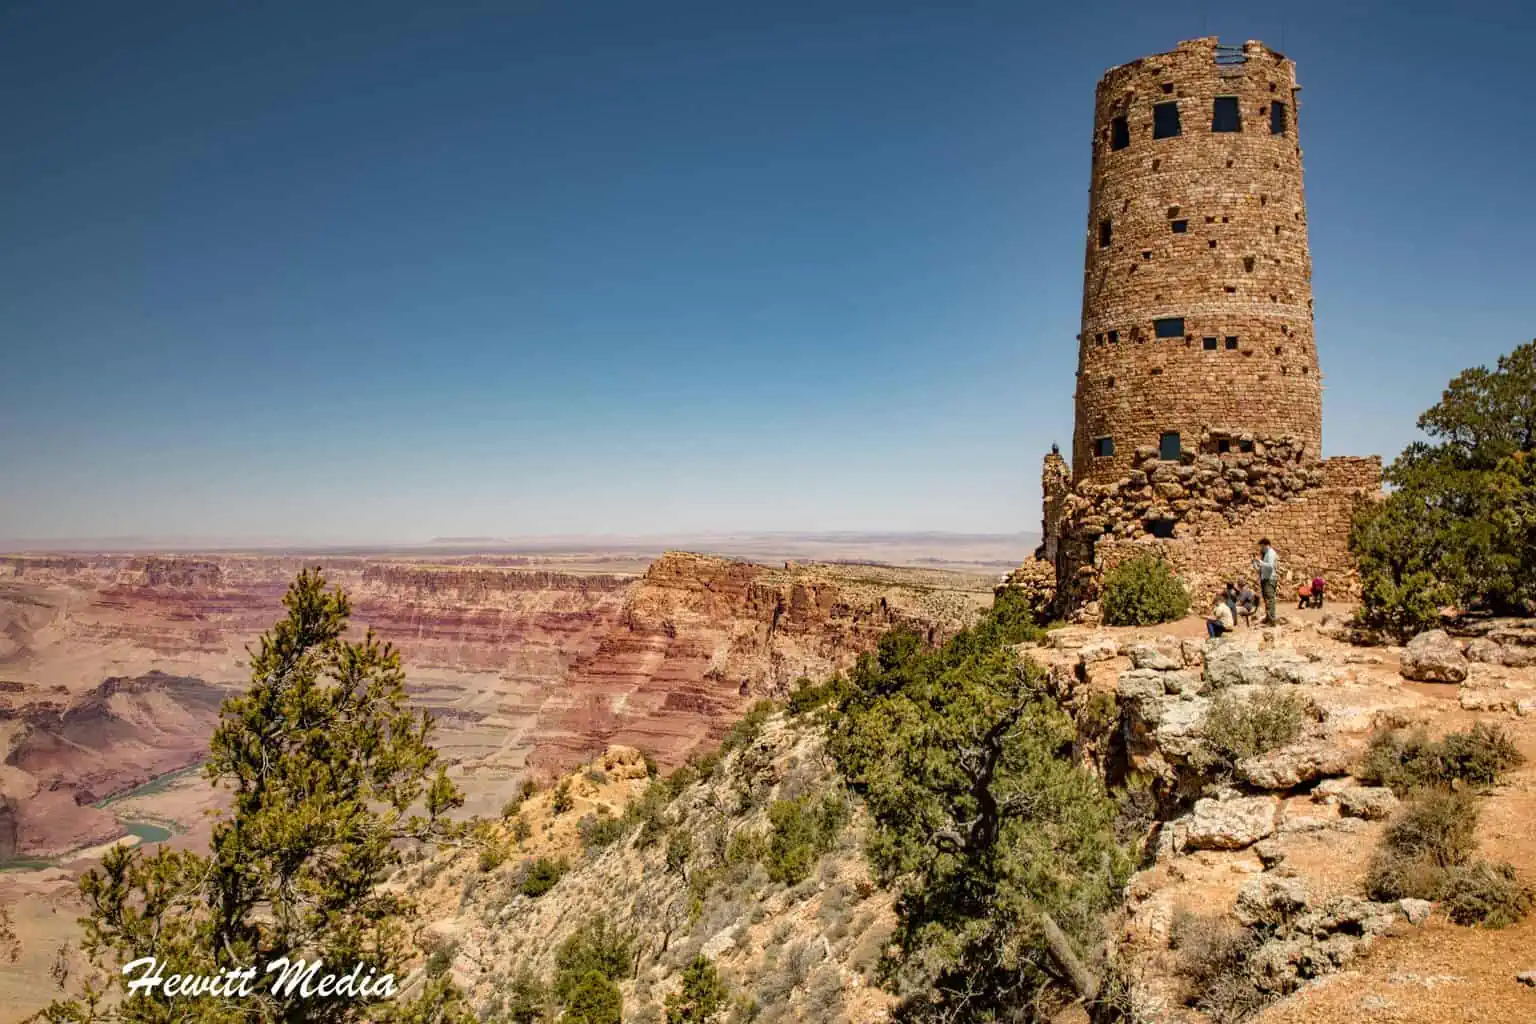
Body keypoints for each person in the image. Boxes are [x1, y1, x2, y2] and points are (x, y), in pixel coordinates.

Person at [1252, 538, 1279, 626]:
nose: (1261, 548)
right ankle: (1268, 618)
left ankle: (1272, 621)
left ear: (1265, 545)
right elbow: (1260, 569)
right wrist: (1255, 563)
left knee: (1270, 600)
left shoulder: (1271, 553)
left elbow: (1270, 566)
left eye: (1261, 546)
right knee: (1267, 600)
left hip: (1269, 579)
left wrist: (1260, 562)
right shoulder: (1266, 554)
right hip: (1265, 579)